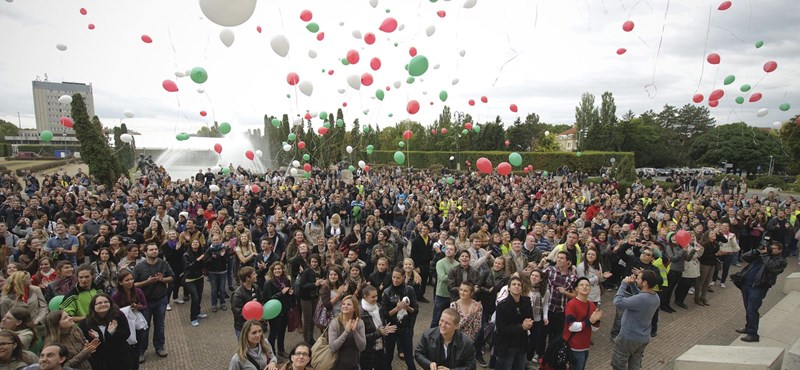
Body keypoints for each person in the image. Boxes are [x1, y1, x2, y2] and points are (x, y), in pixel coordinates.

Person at [736, 241, 787, 342]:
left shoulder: (781, 261)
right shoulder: (763, 255)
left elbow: (772, 266)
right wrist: (755, 251)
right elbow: (744, 257)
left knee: (752, 310)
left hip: (758, 288)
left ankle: (753, 334)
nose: (771, 250)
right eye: (770, 247)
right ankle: (748, 327)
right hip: (746, 285)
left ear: (780, 250)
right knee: (748, 308)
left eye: (774, 248)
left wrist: (765, 254)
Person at [611, 270, 661, 370]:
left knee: (618, 364)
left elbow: (617, 302)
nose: (636, 279)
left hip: (628, 338)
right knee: (635, 364)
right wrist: (633, 285)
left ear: (645, 282)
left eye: (638, 278)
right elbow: (639, 296)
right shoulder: (655, 297)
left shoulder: (641, 299)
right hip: (643, 338)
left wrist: (624, 284)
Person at [132, 244, 174, 362]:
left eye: (155, 249)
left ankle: (159, 346)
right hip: (145, 301)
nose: (154, 251)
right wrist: (147, 282)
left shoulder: (163, 264)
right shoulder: (139, 267)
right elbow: (134, 284)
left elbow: (171, 277)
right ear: (145, 252)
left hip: (161, 300)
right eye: (151, 250)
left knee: (160, 325)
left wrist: (162, 279)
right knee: (144, 327)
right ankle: (141, 350)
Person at [78, 293, 131, 370]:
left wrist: (113, 333)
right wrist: (95, 338)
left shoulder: (118, 316)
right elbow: (84, 343)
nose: (103, 304)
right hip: (99, 360)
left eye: (106, 302)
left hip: (119, 356)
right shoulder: (85, 323)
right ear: (93, 306)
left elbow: (127, 334)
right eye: (99, 303)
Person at [562, 277, 603, 370]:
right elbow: (571, 326)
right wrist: (590, 321)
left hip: (585, 345)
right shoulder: (571, 304)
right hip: (574, 345)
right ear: (576, 288)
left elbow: (595, 328)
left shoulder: (592, 305)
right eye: (581, 285)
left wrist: (597, 320)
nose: (585, 287)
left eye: (587, 285)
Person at [382, 267, 418, 370]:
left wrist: (407, 307)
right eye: (393, 277)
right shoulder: (387, 291)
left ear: (403, 277)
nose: (395, 280)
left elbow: (416, 310)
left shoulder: (409, 290)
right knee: (388, 355)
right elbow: (384, 314)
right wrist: (397, 309)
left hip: (406, 327)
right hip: (391, 327)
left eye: (398, 278)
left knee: (409, 356)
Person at [494, 276, 533, 370]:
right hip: (507, 345)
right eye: (514, 284)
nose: (517, 286)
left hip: (522, 344)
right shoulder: (502, 305)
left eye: (519, 285)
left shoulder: (526, 301)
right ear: (509, 288)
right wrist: (521, 327)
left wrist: (529, 323)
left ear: (522, 288)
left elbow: (530, 318)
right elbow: (501, 328)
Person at [110, 271, 147, 369]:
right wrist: (127, 308)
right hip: (124, 322)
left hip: (137, 320)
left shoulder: (138, 291)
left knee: (140, 338)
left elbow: (145, 305)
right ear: (121, 282)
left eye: (131, 279)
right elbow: (114, 311)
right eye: (127, 280)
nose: (130, 282)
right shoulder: (116, 295)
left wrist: (138, 307)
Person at [542, 251, 577, 347]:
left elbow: (575, 295)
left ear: (568, 262)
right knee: (543, 333)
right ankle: (540, 354)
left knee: (556, 336)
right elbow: (537, 277)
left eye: (562, 258)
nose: (559, 260)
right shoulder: (549, 270)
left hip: (561, 311)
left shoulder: (572, 277)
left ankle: (551, 355)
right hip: (547, 308)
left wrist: (565, 292)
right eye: (558, 257)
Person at [327, 294, 366, 370]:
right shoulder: (335, 323)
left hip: (354, 366)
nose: (345, 306)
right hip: (337, 366)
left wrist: (354, 331)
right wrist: (346, 332)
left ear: (354, 308)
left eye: (348, 304)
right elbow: (332, 348)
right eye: (343, 304)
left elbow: (362, 347)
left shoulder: (359, 323)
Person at [360, 285, 394, 370]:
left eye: (376, 296)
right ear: (365, 297)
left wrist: (384, 329)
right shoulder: (360, 313)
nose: (376, 298)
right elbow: (361, 337)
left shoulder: (378, 307)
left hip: (380, 346)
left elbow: (382, 321)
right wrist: (379, 333)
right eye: (373, 297)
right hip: (367, 351)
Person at [298, 254, 324, 345]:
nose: (314, 264)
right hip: (306, 298)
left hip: (315, 297)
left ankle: (311, 337)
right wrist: (314, 284)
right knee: (307, 319)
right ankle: (306, 340)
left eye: (316, 262)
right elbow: (301, 286)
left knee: (313, 318)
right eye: (312, 262)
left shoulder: (321, 270)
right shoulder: (307, 271)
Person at [182, 239, 207, 327]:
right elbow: (188, 267)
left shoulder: (201, 253)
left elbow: (204, 265)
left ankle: (198, 312)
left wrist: (205, 260)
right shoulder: (186, 255)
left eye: (197, 242)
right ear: (191, 245)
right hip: (190, 279)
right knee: (195, 298)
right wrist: (198, 260)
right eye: (194, 242)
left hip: (199, 277)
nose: (195, 244)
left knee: (199, 296)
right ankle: (193, 318)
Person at [431, 243, 457, 328]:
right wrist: (453, 277)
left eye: (451, 249)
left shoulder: (457, 264)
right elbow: (442, 277)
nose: (448, 251)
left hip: (452, 295)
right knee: (436, 318)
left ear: (455, 252)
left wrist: (450, 277)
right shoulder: (440, 263)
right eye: (447, 249)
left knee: (450, 319)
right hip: (441, 294)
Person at [232, 267, 262, 339]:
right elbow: (238, 313)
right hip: (243, 328)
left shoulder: (256, 287)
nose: (256, 275)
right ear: (248, 278)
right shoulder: (237, 294)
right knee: (245, 349)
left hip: (255, 325)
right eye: (254, 274)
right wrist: (254, 318)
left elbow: (261, 301)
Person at [205, 233, 230, 312]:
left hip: (222, 271)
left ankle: (223, 303)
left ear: (220, 240)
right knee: (214, 289)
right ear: (212, 241)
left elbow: (228, 260)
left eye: (217, 240)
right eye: (214, 240)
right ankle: (214, 304)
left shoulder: (224, 249)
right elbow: (206, 261)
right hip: (212, 272)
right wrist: (212, 258)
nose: (216, 241)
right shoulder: (209, 249)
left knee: (222, 289)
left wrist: (222, 256)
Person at [410, 224, 434, 303]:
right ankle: (415, 296)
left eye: (425, 229)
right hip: (418, 265)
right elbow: (413, 254)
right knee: (417, 281)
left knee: (424, 281)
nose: (424, 230)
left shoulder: (429, 239)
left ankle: (421, 296)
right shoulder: (416, 240)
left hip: (426, 264)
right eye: (422, 229)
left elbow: (430, 250)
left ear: (428, 231)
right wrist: (415, 266)